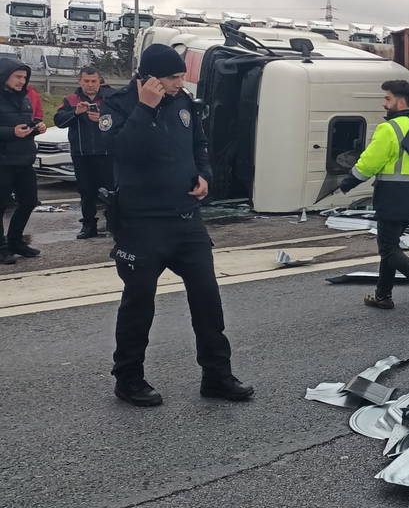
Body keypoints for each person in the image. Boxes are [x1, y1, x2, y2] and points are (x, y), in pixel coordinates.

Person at [98, 44, 253, 407]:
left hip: (186, 221)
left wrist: (204, 174)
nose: (180, 83)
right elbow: (122, 151)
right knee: (139, 305)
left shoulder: (183, 101)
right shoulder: (118, 104)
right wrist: (145, 108)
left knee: (208, 301)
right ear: (149, 78)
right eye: (172, 77)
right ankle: (129, 378)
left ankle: (217, 375)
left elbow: (199, 143)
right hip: (140, 223)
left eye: (182, 76)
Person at [339, 79, 409, 313]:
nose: (384, 104)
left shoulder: (390, 129)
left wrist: (349, 181)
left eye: (387, 98)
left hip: (392, 195)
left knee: (387, 248)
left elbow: (370, 162)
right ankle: (382, 296)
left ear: (400, 100)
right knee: (391, 246)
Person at [54, 66, 115, 239]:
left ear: (99, 81)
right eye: (86, 81)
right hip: (82, 154)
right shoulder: (71, 99)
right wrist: (76, 112)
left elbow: (122, 118)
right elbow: (59, 121)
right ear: (79, 82)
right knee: (86, 192)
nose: (90, 85)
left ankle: (113, 223)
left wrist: (103, 117)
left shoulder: (110, 98)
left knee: (112, 191)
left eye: (94, 81)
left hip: (107, 153)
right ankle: (88, 225)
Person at [0, 58, 45, 265]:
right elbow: (11, 128)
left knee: (29, 201)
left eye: (24, 77)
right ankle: (1, 249)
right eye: (18, 77)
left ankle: (15, 241)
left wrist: (35, 126)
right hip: (3, 160)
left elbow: (23, 125)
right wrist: (11, 132)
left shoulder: (25, 98)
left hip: (24, 159)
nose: (22, 81)